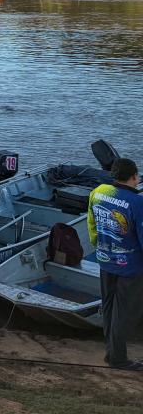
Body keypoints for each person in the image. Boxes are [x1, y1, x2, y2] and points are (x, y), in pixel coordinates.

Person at [88, 157, 143, 369]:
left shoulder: (99, 191)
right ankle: (118, 359)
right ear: (134, 176)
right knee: (125, 311)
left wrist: (99, 245)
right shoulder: (137, 202)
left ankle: (111, 353)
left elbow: (91, 222)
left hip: (104, 259)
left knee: (109, 307)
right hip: (130, 267)